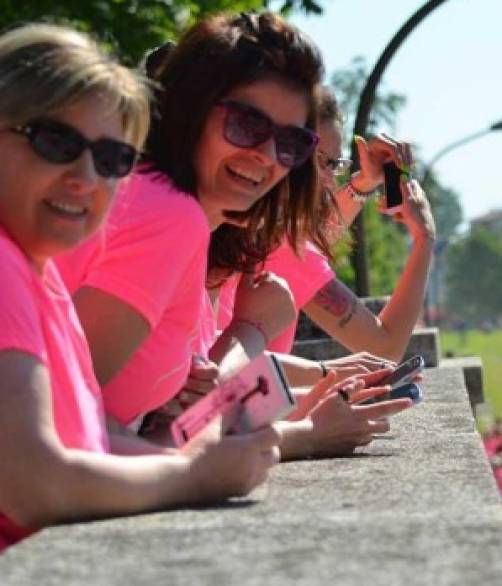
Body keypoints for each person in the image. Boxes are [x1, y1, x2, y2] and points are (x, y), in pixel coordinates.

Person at [60, 12, 409, 458]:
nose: (266, 157)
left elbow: (178, 425)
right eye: (246, 125)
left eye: (291, 144)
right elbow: (61, 431)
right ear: (191, 111)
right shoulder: (167, 218)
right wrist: (298, 433)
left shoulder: (186, 222)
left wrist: (315, 384)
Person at [0, 23, 279, 551]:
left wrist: (192, 464)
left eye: (112, 159)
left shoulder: (39, 274)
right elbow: (31, 483)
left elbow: (85, 441)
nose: (86, 177)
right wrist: (194, 478)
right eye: (55, 141)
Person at [214, 85, 435, 384]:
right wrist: (424, 239)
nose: (330, 180)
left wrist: (364, 184)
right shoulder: (280, 243)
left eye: (336, 164)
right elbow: (385, 348)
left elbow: (307, 244)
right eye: (321, 161)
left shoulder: (246, 223)